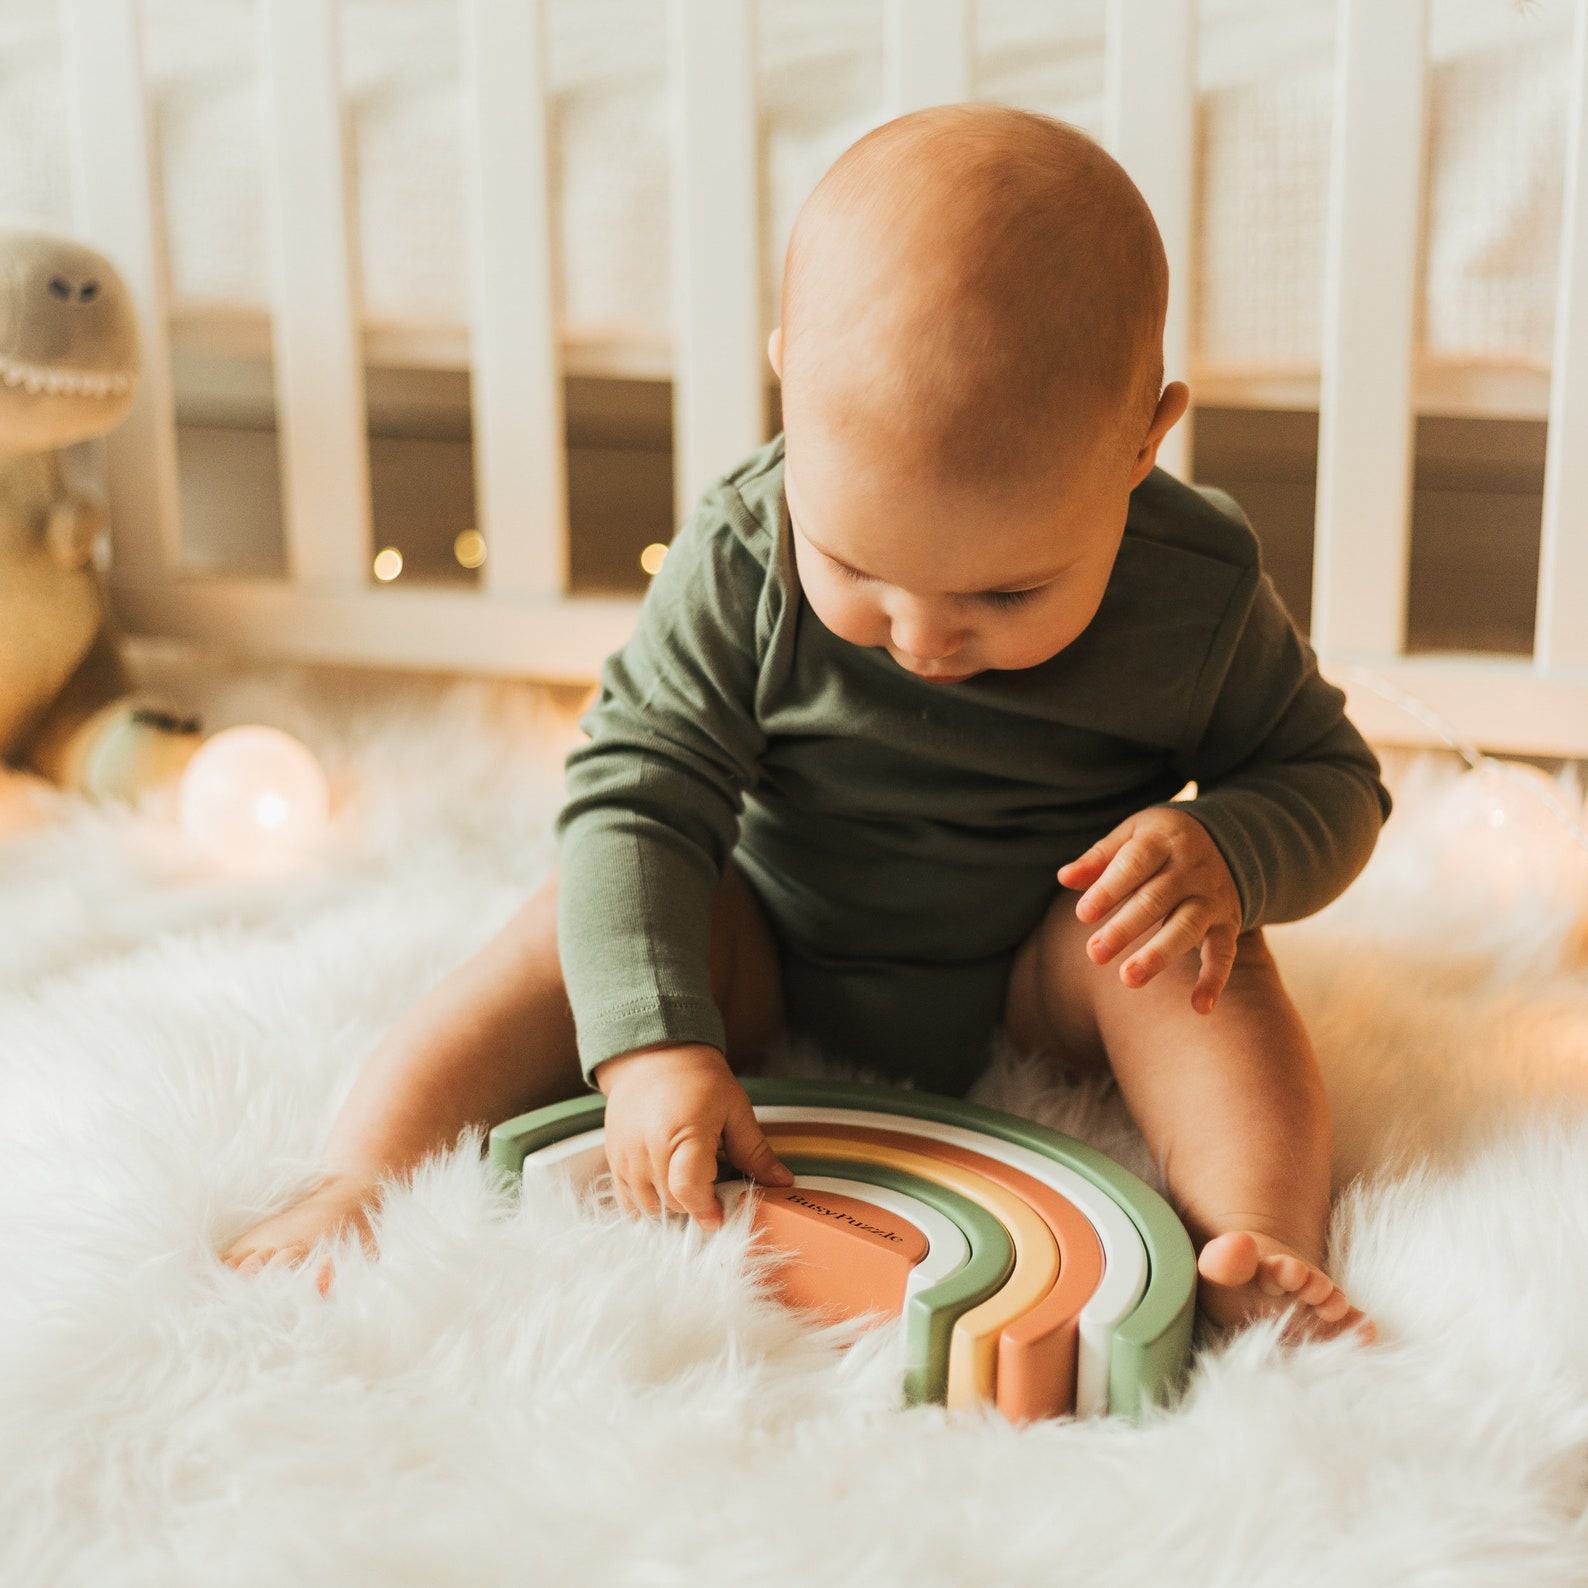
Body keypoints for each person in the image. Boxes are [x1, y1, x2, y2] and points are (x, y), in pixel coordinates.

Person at [222, 105, 1388, 1345]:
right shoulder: (742, 548)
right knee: (582, 914)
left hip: (1045, 966)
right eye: (858, 566)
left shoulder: (1195, 588)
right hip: (768, 938)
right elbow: (637, 789)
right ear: (788, 379)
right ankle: (362, 1165)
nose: (925, 635)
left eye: (1005, 592)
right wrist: (653, 1043)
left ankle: (1257, 1243)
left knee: (1187, 956)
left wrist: (1227, 852)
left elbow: (1332, 779)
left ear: (1143, 443)